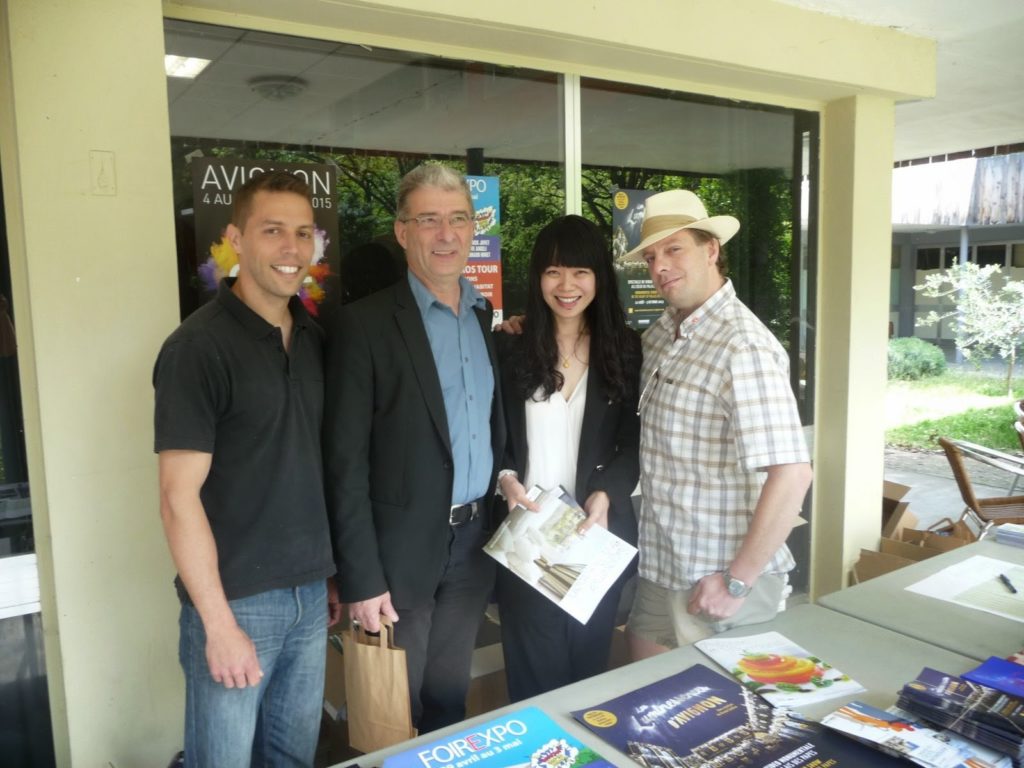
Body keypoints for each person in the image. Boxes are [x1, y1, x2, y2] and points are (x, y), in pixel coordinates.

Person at [154, 170, 341, 767]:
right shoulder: (197, 349)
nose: (292, 247)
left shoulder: (313, 338)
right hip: (237, 603)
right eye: (273, 230)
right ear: (236, 239)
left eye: (304, 232)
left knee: (292, 759)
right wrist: (218, 624)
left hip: (310, 594)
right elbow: (177, 497)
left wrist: (326, 574)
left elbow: (308, 465)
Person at [323, 163, 504, 733]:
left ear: (473, 228)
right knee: (394, 716)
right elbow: (344, 463)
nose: (446, 234)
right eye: (429, 220)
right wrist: (361, 577)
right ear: (403, 232)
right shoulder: (364, 325)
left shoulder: (482, 316)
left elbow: (488, 428)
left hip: (473, 546)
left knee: (450, 703)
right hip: (397, 557)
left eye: (458, 219)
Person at [622, 189, 812, 658]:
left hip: (719, 580)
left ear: (711, 249)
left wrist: (737, 580)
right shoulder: (662, 334)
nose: (660, 267)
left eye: (674, 249)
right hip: (662, 566)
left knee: (721, 704)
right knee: (643, 692)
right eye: (651, 257)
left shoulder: (742, 346)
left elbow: (792, 474)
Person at [495, 215, 640, 701]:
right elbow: (493, 436)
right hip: (527, 538)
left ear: (599, 277)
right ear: (537, 277)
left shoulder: (625, 349)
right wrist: (506, 478)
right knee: (534, 684)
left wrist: (607, 493)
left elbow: (633, 443)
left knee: (588, 680)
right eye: (553, 271)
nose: (566, 285)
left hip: (593, 538)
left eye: (580, 272)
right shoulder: (509, 346)